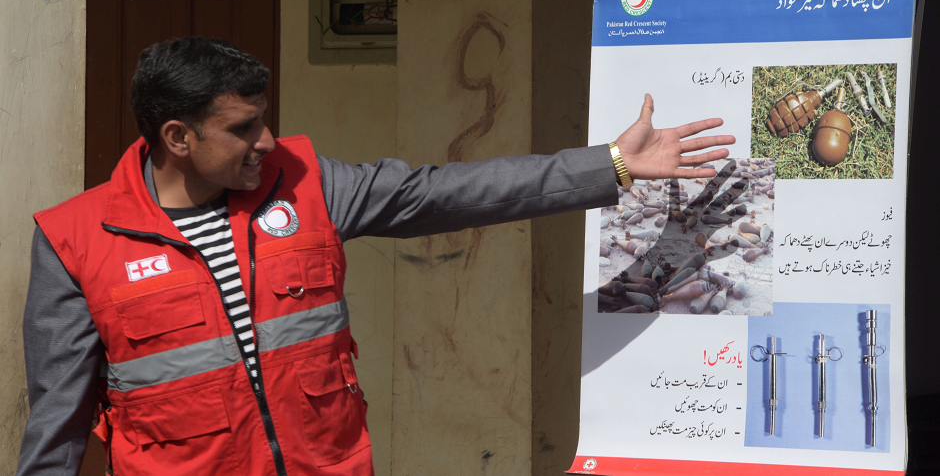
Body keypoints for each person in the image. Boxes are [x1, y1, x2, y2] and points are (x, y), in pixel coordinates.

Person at [16, 37, 733, 475]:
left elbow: (446, 192)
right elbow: (59, 424)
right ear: (177, 137)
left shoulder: (306, 183)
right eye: (243, 128)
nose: (268, 141)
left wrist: (609, 166)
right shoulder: (76, 240)